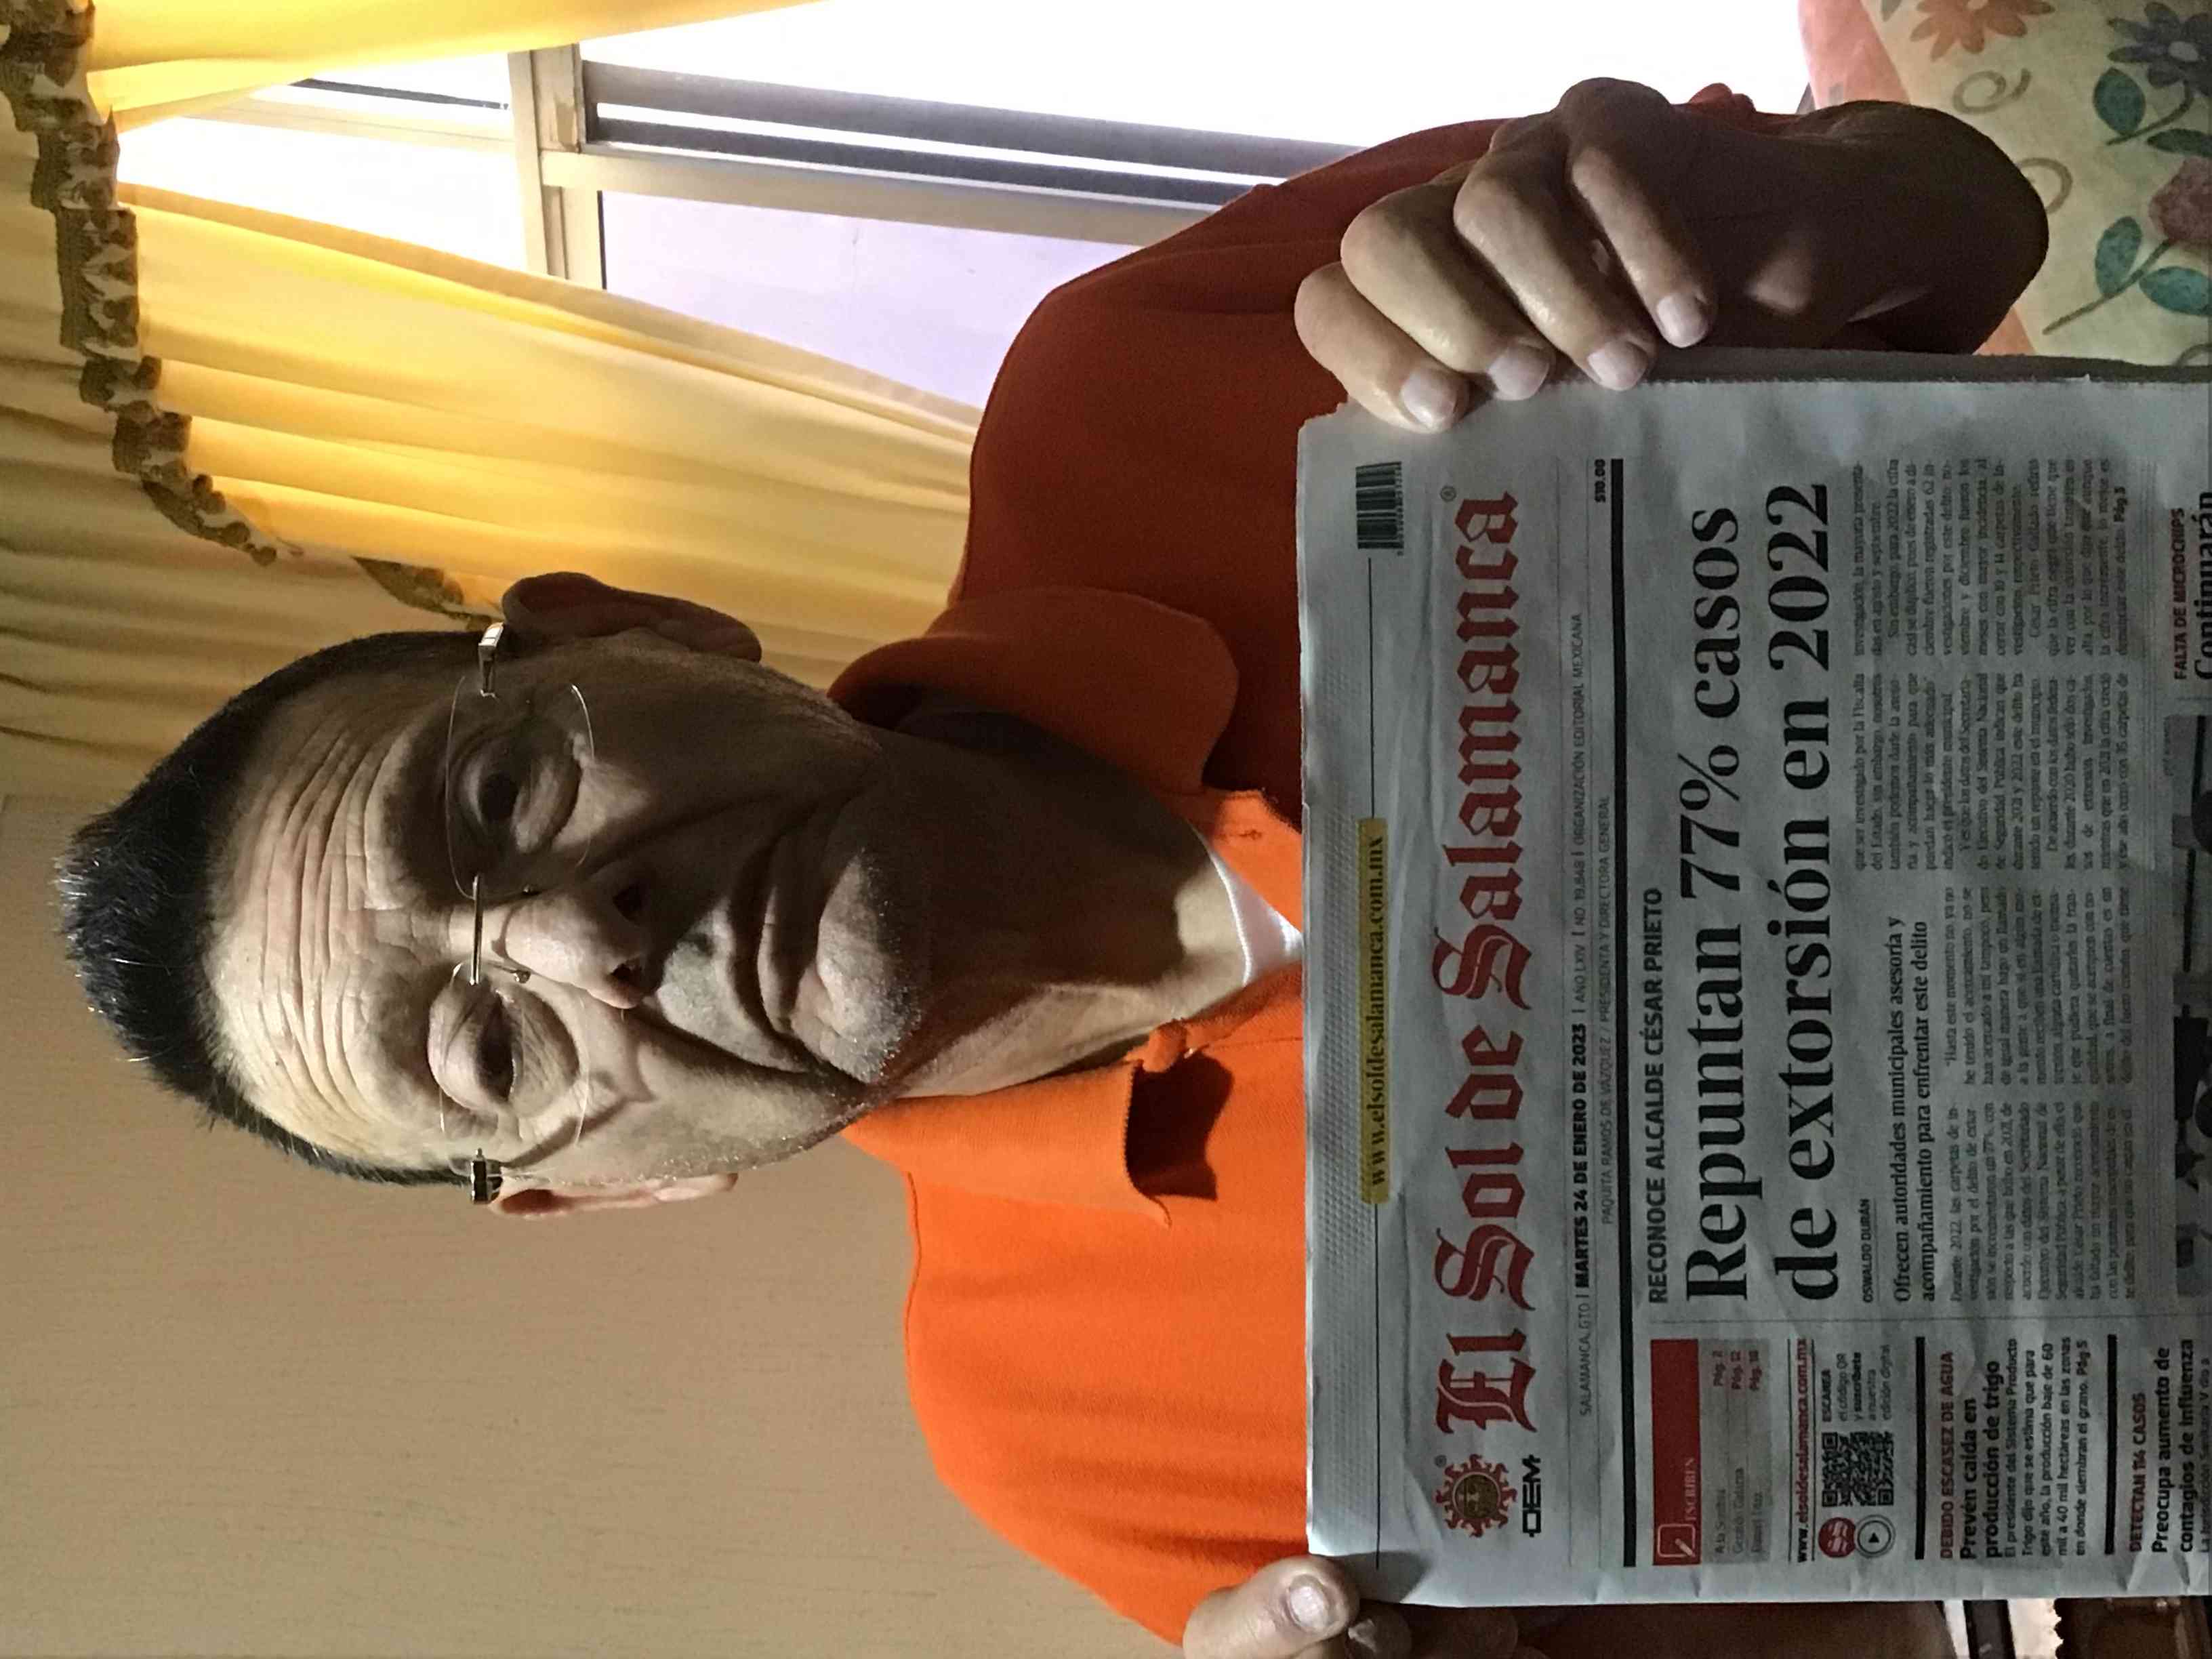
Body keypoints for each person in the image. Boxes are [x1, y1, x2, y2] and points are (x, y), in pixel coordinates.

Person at [60, 79, 2039, 1659]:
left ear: (645, 626)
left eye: (498, 800)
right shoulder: (1055, 1436)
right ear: (604, 1183)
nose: (587, 935)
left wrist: (1783, 220)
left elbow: (1967, 211)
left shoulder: (1127, 380)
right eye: (487, 1048)